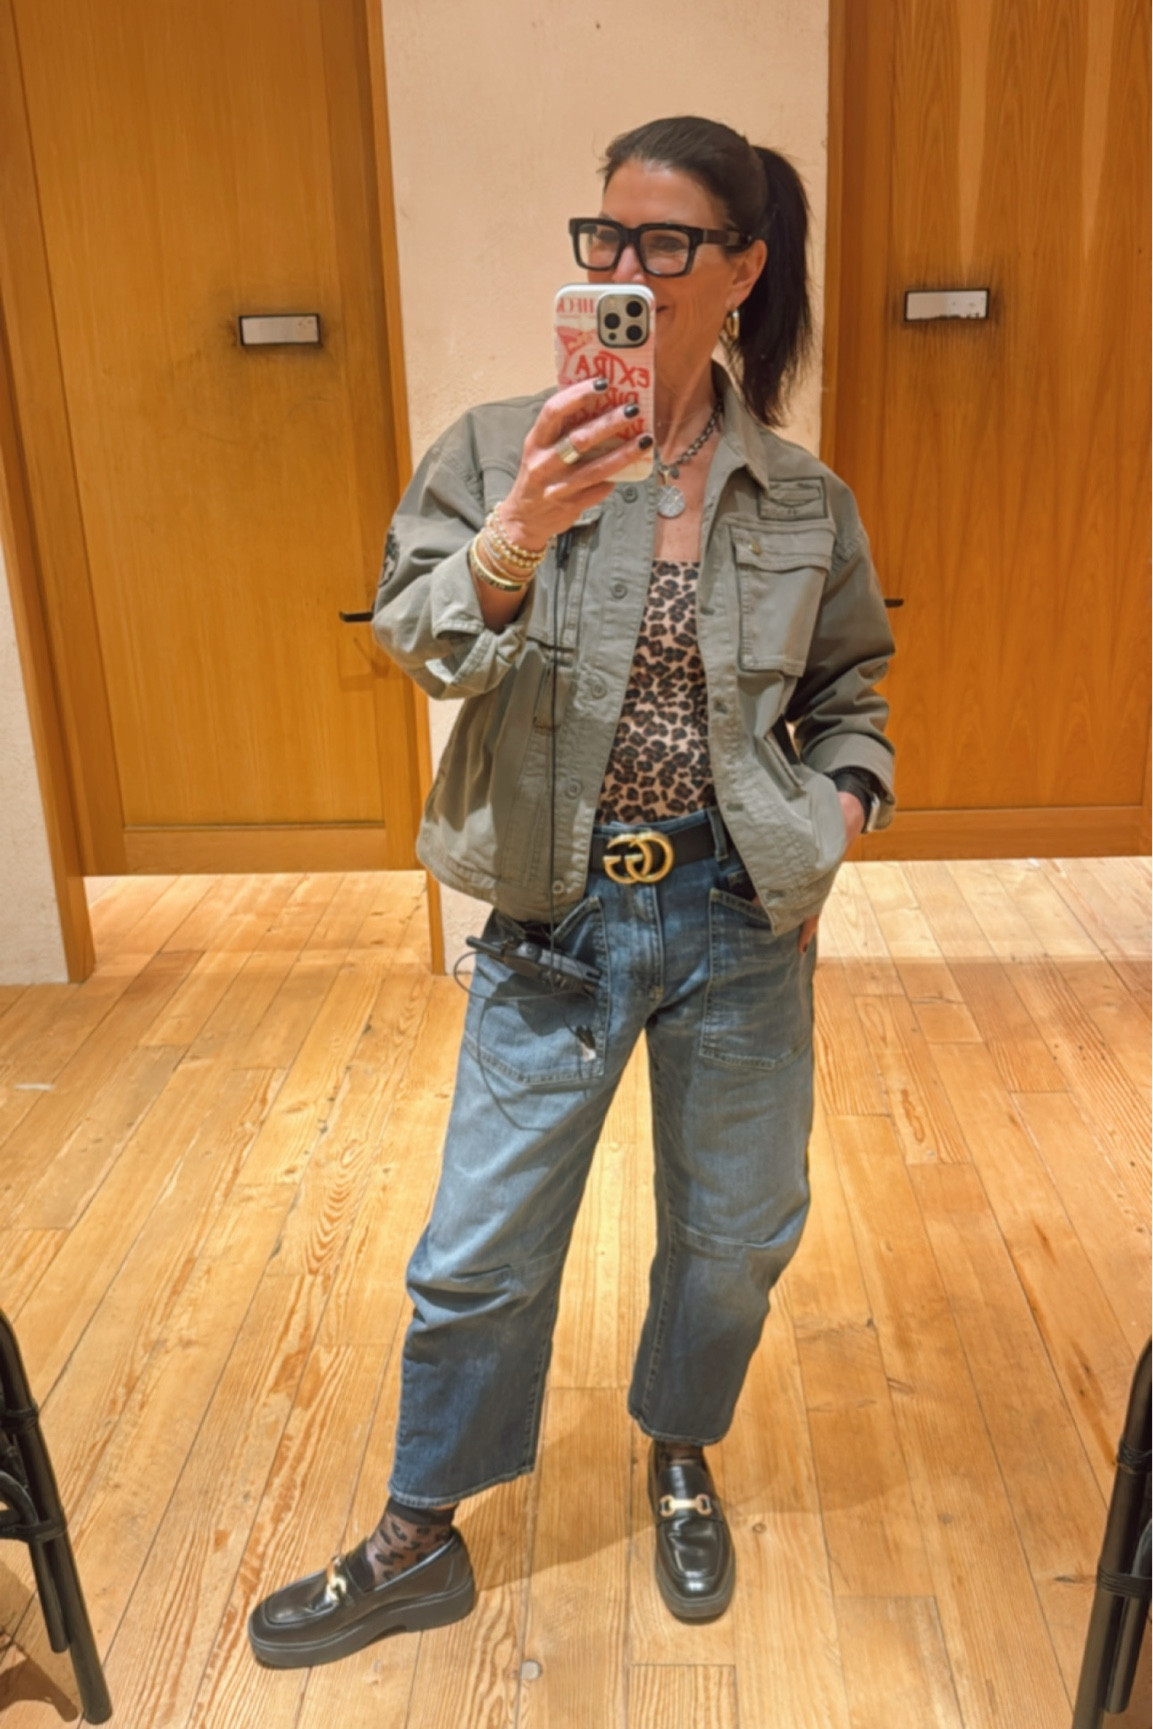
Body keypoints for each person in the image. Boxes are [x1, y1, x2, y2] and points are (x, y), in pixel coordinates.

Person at [248, 114, 895, 1669]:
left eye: (665, 244)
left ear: (740, 270)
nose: (624, 269)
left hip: (739, 916)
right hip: (554, 921)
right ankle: (419, 1530)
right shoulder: (498, 447)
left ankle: (677, 1451)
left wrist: (836, 811)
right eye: (603, 238)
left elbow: (850, 685)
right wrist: (519, 528)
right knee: (478, 1248)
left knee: (735, 1234)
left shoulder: (799, 496)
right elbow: (416, 639)